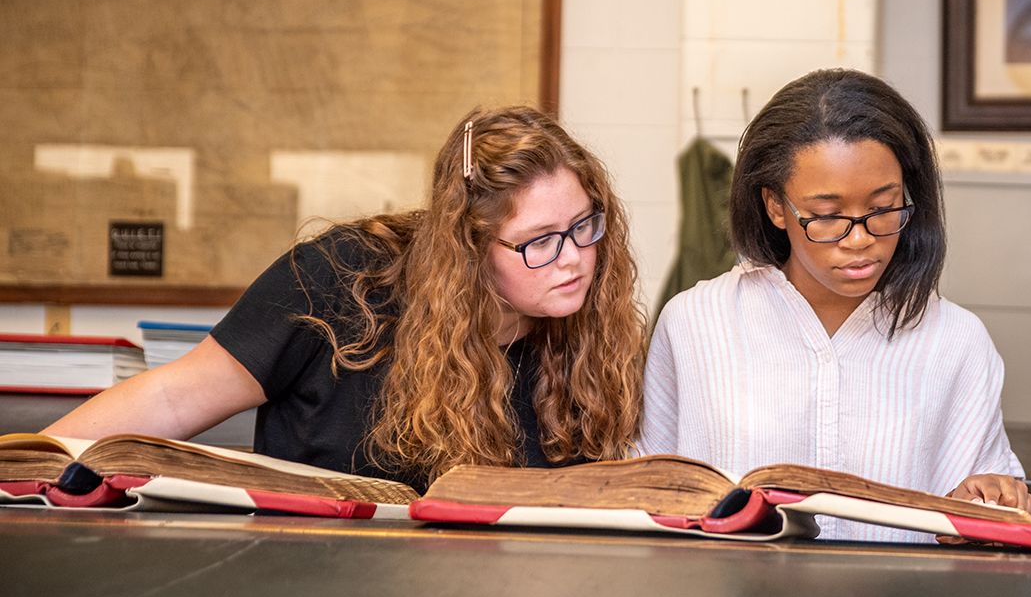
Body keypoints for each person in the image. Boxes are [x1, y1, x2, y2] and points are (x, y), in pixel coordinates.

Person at [45, 105, 647, 491]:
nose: (574, 257)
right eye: (539, 241)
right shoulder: (339, 281)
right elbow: (175, 399)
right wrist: (33, 464)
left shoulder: (589, 329)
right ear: (466, 249)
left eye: (584, 225)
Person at [641, 68, 1031, 543]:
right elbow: (648, 496)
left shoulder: (956, 340)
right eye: (827, 216)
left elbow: (989, 509)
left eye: (884, 207)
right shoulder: (696, 323)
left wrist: (991, 503)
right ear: (775, 206)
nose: (861, 240)